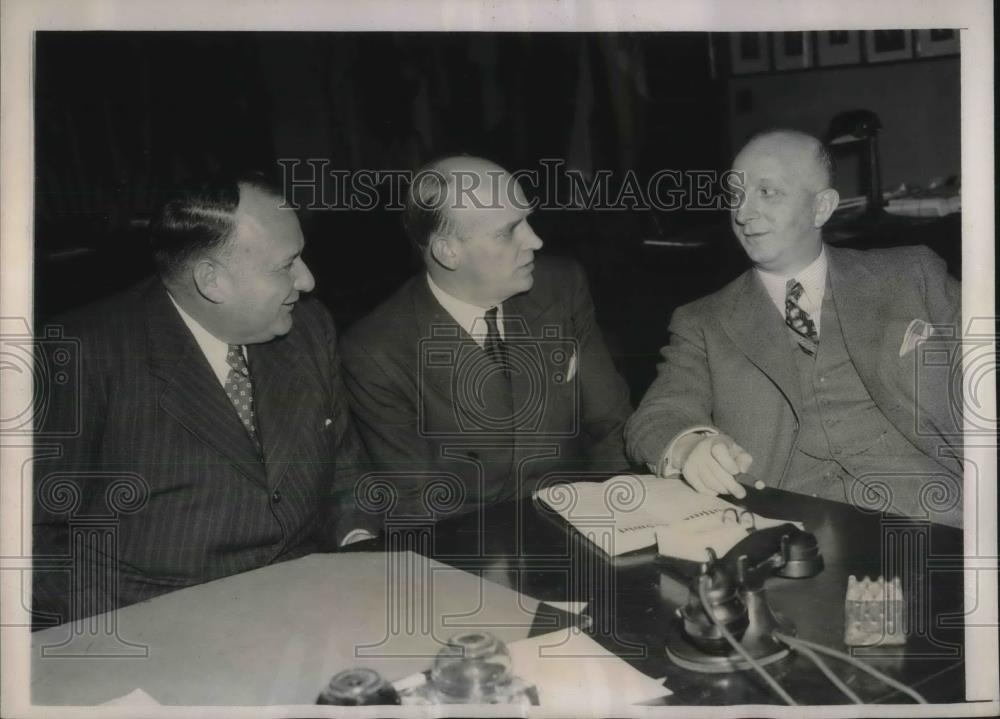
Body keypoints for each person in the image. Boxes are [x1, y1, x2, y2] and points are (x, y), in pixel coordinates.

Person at [32, 174, 375, 627]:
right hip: (158, 625)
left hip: (309, 600)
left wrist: (358, 540)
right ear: (212, 281)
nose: (308, 280)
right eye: (286, 264)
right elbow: (32, 542)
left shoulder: (308, 328)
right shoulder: (78, 355)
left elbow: (344, 467)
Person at [625, 130, 963, 527]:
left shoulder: (911, 275)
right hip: (790, 530)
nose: (744, 214)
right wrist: (689, 447)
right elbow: (656, 416)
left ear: (821, 207)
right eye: (736, 195)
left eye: (767, 193)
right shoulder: (703, 321)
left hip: (938, 517)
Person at [340, 156, 632, 523]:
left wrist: (618, 524)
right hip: (476, 550)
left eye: (527, 219)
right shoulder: (376, 351)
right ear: (448, 252)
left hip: (584, 523)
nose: (536, 241)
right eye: (508, 231)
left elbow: (613, 428)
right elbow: (418, 505)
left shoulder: (561, 287)